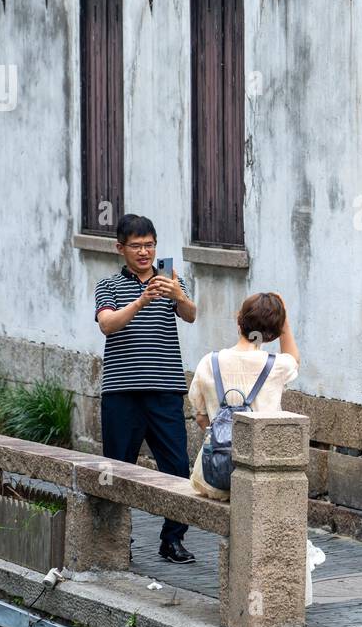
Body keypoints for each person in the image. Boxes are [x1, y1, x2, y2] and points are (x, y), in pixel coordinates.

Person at [93, 214, 199, 564]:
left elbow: (191, 315)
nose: (144, 252)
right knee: (116, 470)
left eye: (150, 245)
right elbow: (108, 325)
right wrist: (141, 301)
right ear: (120, 248)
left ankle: (173, 540)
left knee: (178, 468)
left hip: (165, 390)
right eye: (136, 246)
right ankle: (114, 541)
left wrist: (178, 295)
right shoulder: (108, 285)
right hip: (122, 392)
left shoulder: (171, 280)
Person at [188, 292, 300, 500]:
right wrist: (284, 322)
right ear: (274, 333)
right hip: (261, 474)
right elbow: (294, 359)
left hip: (215, 475)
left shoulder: (208, 362)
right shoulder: (277, 365)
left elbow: (202, 418)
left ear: (239, 320)